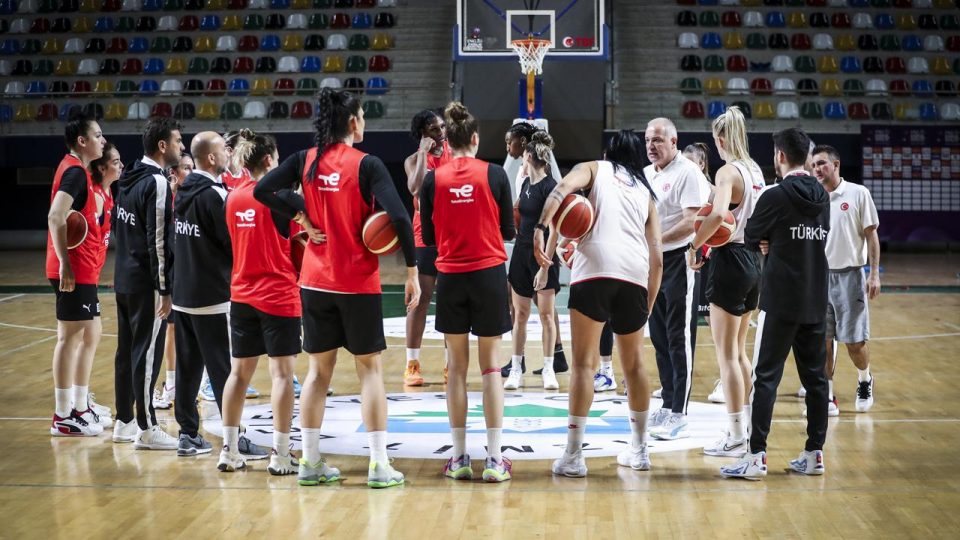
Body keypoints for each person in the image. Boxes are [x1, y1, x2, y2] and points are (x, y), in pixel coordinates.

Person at [256, 88, 420, 489]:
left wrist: (300, 216)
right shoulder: (368, 165)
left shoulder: (304, 160)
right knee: (370, 373)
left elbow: (262, 190)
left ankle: (310, 461)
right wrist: (412, 268)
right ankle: (380, 465)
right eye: (362, 116)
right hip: (357, 284)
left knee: (317, 374)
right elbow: (398, 215)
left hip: (314, 282)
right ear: (352, 122)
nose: (364, 122)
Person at [534, 130, 663, 477]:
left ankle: (574, 456)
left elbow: (559, 191)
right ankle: (639, 451)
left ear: (608, 153)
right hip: (635, 275)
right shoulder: (645, 194)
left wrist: (541, 227)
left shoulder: (594, 168)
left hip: (594, 271)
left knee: (582, 366)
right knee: (635, 366)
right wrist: (647, 302)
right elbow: (658, 257)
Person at [722, 127, 831, 480]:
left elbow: (751, 235)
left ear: (780, 156)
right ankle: (815, 453)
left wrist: (770, 240)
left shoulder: (774, 195)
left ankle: (756, 457)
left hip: (782, 298)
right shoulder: (824, 196)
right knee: (816, 381)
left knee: (766, 377)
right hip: (816, 296)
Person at [419, 101, 515, 482]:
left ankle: (458, 458)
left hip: (451, 277)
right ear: (475, 139)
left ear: (449, 141)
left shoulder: (433, 179)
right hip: (489, 274)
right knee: (491, 368)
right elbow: (508, 231)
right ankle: (494, 460)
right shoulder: (494, 174)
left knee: (456, 370)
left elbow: (427, 237)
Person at [217, 132, 304, 475]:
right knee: (282, 375)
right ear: (269, 160)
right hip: (278, 295)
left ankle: (229, 449)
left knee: (238, 374)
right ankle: (281, 454)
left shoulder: (231, 198)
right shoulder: (282, 198)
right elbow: (307, 238)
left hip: (241, 295)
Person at [686, 107, 764, 458]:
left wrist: (695, 244)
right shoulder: (755, 170)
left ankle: (734, 435)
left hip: (730, 259)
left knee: (726, 355)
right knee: (740, 351)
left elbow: (718, 214)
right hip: (753, 259)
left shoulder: (727, 171)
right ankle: (744, 426)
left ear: (720, 139)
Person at [112, 118, 182, 449]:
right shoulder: (156, 182)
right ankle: (147, 427)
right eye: (178, 142)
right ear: (163, 146)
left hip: (123, 277)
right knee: (146, 354)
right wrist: (165, 289)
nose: (182, 147)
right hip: (146, 283)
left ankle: (123, 420)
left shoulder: (128, 176)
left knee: (126, 351)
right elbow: (157, 241)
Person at [643, 118, 710, 441]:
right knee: (657, 335)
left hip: (678, 259)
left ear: (673, 141)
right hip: (651, 261)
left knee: (677, 336)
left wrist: (656, 242)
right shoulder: (645, 174)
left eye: (657, 140)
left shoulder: (688, 172)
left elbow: (692, 221)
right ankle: (668, 402)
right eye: (647, 141)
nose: (651, 146)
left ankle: (680, 412)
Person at [46, 113, 109, 437]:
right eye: (98, 135)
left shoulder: (77, 171)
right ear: (82, 141)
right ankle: (62, 415)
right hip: (72, 271)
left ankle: (76, 406)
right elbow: (55, 216)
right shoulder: (72, 172)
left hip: (81, 270)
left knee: (83, 336)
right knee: (68, 339)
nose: (103, 140)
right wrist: (64, 263)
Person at [809, 144, 880, 414]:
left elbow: (872, 235)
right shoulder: (812, 197)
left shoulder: (858, 193)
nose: (817, 169)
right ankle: (827, 395)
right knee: (822, 341)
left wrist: (873, 274)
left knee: (854, 343)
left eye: (822, 164)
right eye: (814, 165)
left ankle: (865, 379)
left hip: (851, 276)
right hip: (818, 278)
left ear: (836, 165)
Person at [500, 121, 567, 377]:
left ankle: (547, 357)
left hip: (541, 246)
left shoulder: (546, 180)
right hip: (525, 242)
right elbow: (520, 206)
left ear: (526, 146)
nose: (508, 147)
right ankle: (540, 357)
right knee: (526, 303)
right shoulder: (523, 176)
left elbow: (554, 212)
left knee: (541, 306)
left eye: (511, 142)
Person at [403, 108, 452, 386]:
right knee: (419, 300)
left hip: (451, 237)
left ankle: (450, 365)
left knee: (449, 302)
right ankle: (412, 364)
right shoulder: (413, 160)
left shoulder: (454, 154)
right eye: (434, 128)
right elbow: (415, 188)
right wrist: (423, 154)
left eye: (443, 127)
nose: (441, 132)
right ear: (422, 134)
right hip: (425, 237)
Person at [152, 152, 193, 411]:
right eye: (186, 168)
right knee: (172, 328)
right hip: (172, 273)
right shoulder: (167, 200)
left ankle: (186, 382)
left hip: (191, 272)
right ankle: (170, 384)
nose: (191, 171)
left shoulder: (192, 199)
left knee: (187, 330)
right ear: (174, 174)